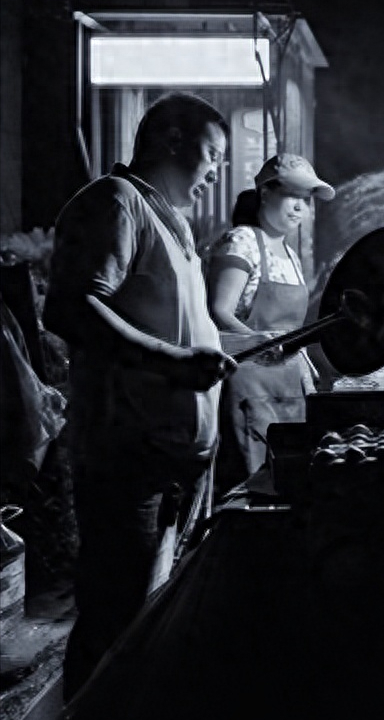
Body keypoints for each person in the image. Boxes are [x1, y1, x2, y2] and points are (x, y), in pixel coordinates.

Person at [42, 92, 238, 701]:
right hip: (129, 460)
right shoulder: (116, 201)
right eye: (212, 154)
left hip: (174, 462)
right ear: (173, 140)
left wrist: (249, 343)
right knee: (116, 619)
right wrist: (173, 362)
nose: (216, 172)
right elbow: (71, 306)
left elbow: (178, 325)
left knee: (149, 624)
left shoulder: (171, 222)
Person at [205, 154, 334, 493]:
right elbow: (219, 311)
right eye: (292, 195)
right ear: (265, 193)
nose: (300, 207)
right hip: (249, 387)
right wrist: (261, 344)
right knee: (249, 488)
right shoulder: (242, 240)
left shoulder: (290, 255)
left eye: (306, 200)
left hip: (288, 388)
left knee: (288, 485)